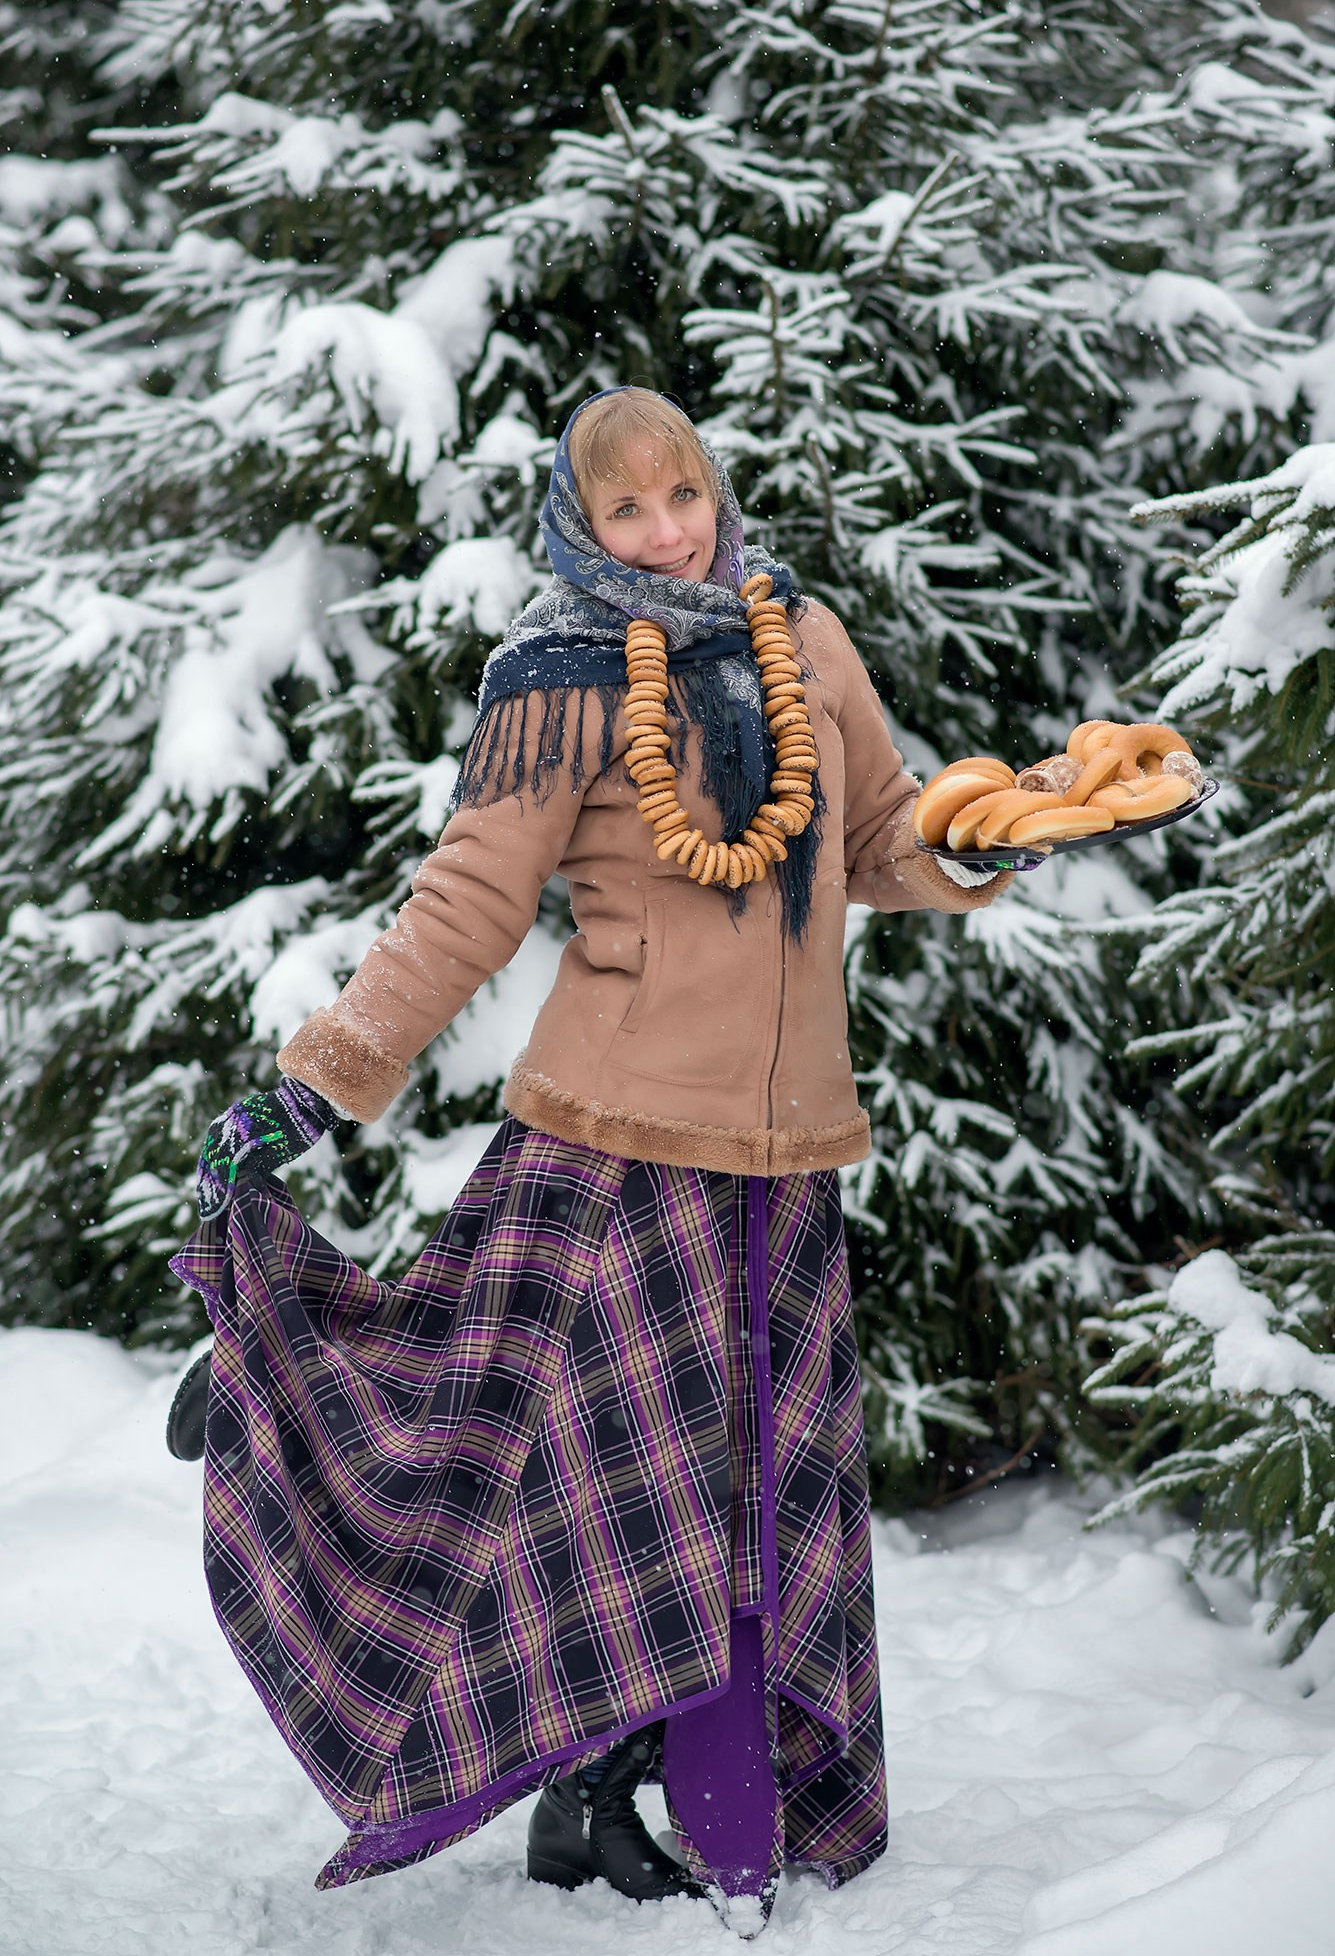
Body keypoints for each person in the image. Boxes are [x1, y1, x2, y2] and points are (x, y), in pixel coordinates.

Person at [168, 387, 1012, 1934]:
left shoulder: (799, 635)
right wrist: (317, 1085)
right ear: (580, 526)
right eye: (626, 511)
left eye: (681, 493)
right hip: (618, 1149)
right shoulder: (558, 677)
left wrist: (992, 834)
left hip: (788, 1155)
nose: (666, 530)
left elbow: (884, 834)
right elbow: (467, 908)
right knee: (612, 1497)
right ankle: (294, 1384)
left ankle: (633, 1790)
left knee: (749, 1501)